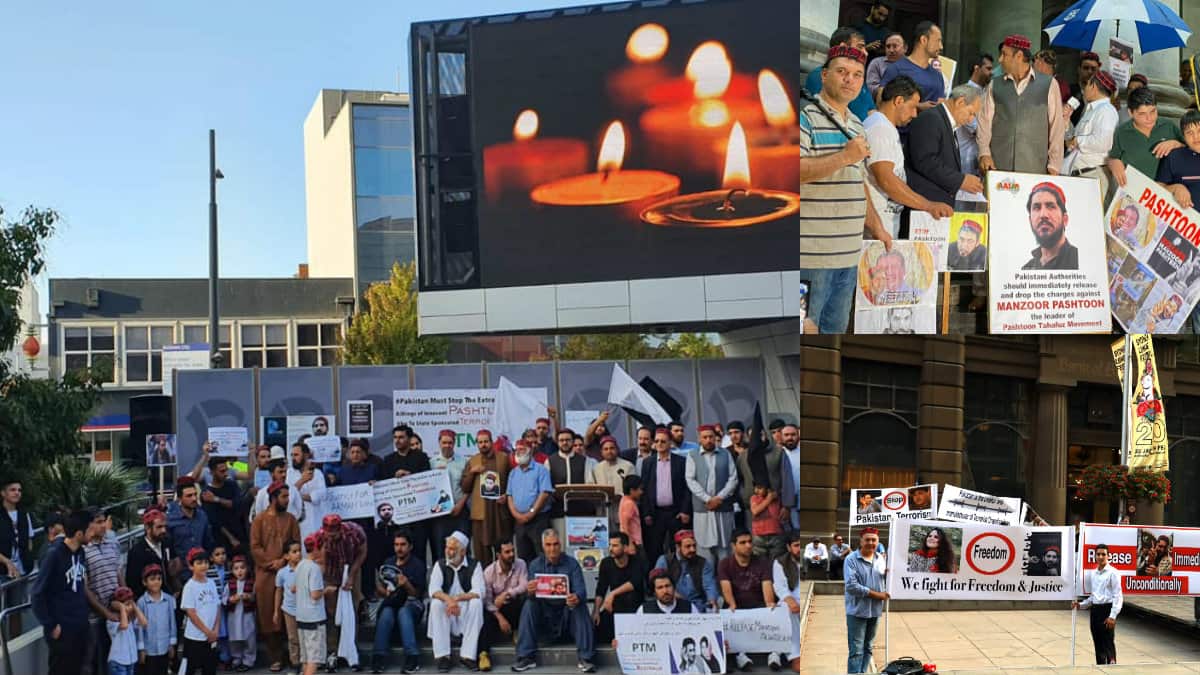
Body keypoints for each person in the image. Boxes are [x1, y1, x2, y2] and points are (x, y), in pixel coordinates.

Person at [800, 43, 891, 334]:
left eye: (857, 74)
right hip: (812, 256)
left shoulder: (857, 125)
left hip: (849, 255)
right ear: (825, 75)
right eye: (842, 72)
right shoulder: (804, 118)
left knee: (834, 331)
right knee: (805, 331)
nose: (849, 79)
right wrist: (844, 156)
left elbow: (858, 181)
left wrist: (877, 226)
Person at [864, 76, 954, 238]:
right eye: (913, 107)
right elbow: (886, 179)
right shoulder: (880, 128)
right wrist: (927, 205)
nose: (914, 114)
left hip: (886, 223)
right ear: (898, 101)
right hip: (877, 228)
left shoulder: (885, 127)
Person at [978, 34, 1065, 175]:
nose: (1000, 60)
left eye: (1004, 55)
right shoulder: (995, 84)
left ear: (1018, 56)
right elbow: (984, 121)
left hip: (1035, 168)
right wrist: (984, 153)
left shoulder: (1049, 84)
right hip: (998, 167)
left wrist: (1054, 165)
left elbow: (1057, 126)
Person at [512, 529, 596, 673]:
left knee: (579, 606)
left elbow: (581, 591)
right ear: (543, 546)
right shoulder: (535, 565)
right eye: (549, 545)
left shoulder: (572, 564)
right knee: (529, 604)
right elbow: (531, 595)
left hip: (567, 617)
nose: (552, 548)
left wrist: (575, 597)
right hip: (545, 618)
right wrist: (530, 592)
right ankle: (526, 657)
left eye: (556, 544)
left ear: (561, 545)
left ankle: (586, 658)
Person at [906, 83, 986, 208]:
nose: (971, 120)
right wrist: (960, 180)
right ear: (960, 102)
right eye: (971, 113)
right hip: (924, 205)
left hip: (937, 205)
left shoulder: (946, 123)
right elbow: (925, 161)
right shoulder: (931, 118)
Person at [32, 510, 92, 675]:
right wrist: (50, 625)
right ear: (79, 533)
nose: (93, 534)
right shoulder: (54, 555)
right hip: (62, 630)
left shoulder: (81, 552)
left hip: (80, 626)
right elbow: (37, 594)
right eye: (90, 530)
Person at [250, 480, 301, 673]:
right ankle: (275, 657)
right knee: (268, 614)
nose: (287, 500)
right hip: (265, 574)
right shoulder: (259, 520)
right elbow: (255, 547)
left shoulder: (291, 519)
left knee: (288, 612)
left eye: (288, 496)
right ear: (273, 498)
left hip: (289, 573)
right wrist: (273, 563)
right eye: (284, 497)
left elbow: (297, 543)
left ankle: (294, 656)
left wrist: (285, 561)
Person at [719, 529, 780, 671]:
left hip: (759, 605)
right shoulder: (725, 564)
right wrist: (732, 605)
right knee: (726, 612)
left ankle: (775, 653)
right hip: (738, 606)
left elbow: (767, 588)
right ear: (733, 546)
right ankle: (740, 655)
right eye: (743, 543)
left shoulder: (762, 562)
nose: (748, 545)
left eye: (750, 542)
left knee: (777, 610)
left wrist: (769, 605)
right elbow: (726, 589)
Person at [427, 531, 485, 672]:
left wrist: (457, 599)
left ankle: (467, 656)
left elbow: (480, 592)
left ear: (463, 551)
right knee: (436, 603)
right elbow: (433, 590)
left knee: (476, 603)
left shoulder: (474, 565)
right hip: (447, 610)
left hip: (464, 611)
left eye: (453, 549)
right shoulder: (439, 565)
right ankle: (443, 657)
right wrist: (449, 600)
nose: (449, 552)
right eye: (447, 547)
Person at [1109, 87, 1186, 190]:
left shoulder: (1168, 126)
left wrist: (1176, 144)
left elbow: (1192, 151)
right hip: (1135, 193)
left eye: (1153, 111)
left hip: (1166, 194)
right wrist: (1113, 162)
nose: (1149, 118)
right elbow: (1113, 157)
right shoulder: (1121, 132)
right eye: (1142, 114)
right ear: (1131, 113)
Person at [316, 514, 367, 665]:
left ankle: (351, 648)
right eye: (328, 534)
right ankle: (333, 650)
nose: (330, 537)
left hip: (352, 567)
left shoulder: (355, 533)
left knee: (351, 609)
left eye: (334, 534)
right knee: (331, 611)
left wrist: (351, 575)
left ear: (340, 530)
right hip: (330, 571)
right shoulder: (318, 538)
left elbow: (363, 553)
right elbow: (319, 562)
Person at [685, 425, 739, 565]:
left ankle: (725, 583)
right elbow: (690, 480)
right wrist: (708, 499)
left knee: (725, 548)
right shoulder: (692, 455)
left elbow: (733, 478)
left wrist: (719, 498)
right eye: (705, 437)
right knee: (704, 550)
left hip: (723, 508)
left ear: (715, 438)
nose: (708, 440)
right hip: (703, 510)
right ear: (699, 439)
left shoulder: (725, 454)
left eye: (711, 437)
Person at [379, 425, 433, 561]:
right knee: (398, 554)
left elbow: (429, 482)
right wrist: (392, 477)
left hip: (419, 516)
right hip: (398, 517)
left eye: (401, 437)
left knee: (419, 553)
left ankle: (419, 582)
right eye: (395, 438)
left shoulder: (421, 457)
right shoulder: (388, 460)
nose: (397, 440)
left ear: (409, 439)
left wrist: (411, 476)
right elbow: (383, 486)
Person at [640, 427, 692, 564]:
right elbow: (643, 490)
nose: (659, 444)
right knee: (654, 550)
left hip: (676, 513)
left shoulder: (681, 462)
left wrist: (685, 511)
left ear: (670, 443)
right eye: (656, 441)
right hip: (655, 514)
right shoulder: (648, 463)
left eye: (663, 441)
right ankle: (657, 580)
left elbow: (687, 488)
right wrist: (646, 513)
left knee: (679, 549)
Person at [464, 429, 512, 566]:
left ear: (491, 442)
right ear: (477, 444)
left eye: (486, 441)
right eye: (480, 442)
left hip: (500, 512)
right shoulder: (473, 461)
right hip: (481, 515)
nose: (483, 444)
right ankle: (483, 583)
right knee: (481, 553)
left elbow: (512, 482)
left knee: (502, 550)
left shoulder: (503, 458)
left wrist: (506, 495)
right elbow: (465, 487)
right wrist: (472, 472)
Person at [844, 527, 889, 674]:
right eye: (867, 539)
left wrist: (889, 575)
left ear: (878, 541)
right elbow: (852, 587)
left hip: (875, 611)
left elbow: (883, 580)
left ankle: (862, 673)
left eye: (874, 540)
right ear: (861, 541)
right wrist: (878, 595)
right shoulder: (851, 559)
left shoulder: (880, 559)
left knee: (868, 647)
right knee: (856, 650)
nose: (871, 543)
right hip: (857, 612)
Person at [805, 28, 875, 121]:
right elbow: (825, 113)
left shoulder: (859, 79)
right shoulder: (820, 76)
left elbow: (872, 111)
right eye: (860, 46)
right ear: (843, 47)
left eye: (857, 75)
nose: (865, 53)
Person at [480, 540, 528, 672]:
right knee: (484, 614)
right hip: (496, 610)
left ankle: (518, 631)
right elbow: (487, 601)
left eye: (513, 551)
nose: (512, 554)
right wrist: (500, 617)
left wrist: (507, 594)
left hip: (513, 605)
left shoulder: (520, 564)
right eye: (507, 552)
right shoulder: (489, 572)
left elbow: (524, 585)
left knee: (525, 600)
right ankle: (483, 654)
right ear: (498, 555)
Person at [83, 510, 121, 675]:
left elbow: (118, 572)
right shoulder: (82, 550)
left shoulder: (113, 543)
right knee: (93, 661)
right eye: (98, 522)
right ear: (89, 525)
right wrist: (105, 612)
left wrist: (127, 600)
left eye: (104, 521)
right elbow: (85, 588)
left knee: (113, 659)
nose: (103, 525)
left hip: (116, 612)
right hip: (94, 616)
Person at [1067, 71, 1119, 188]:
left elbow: (1104, 142)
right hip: (1080, 174)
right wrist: (1066, 120)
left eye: (1087, 84)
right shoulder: (1091, 110)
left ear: (1093, 86)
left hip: (1093, 176)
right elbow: (1071, 140)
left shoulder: (1106, 110)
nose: (1084, 89)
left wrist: (1077, 141)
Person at [592, 532, 646, 644]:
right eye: (610, 545)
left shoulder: (637, 561)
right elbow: (601, 589)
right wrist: (596, 611)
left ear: (625, 548)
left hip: (634, 608)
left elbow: (634, 583)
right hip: (614, 607)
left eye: (615, 545)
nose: (611, 549)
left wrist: (612, 594)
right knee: (595, 628)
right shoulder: (606, 563)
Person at [879, 22, 946, 111]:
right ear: (923, 40)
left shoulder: (938, 76)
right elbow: (881, 104)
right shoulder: (896, 69)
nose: (941, 46)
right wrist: (917, 106)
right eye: (938, 41)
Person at [1073, 543, 1123, 664]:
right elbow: (1093, 596)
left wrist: (1113, 616)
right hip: (1095, 611)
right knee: (1098, 642)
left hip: (1107, 610)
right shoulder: (1093, 573)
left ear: (1108, 556)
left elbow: (1118, 596)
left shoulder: (1113, 573)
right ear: (1095, 556)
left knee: (1108, 642)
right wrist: (1081, 605)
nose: (1101, 557)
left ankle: (1112, 667)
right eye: (1098, 554)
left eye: (1103, 554)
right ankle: (1100, 667)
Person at [507, 440, 555, 562]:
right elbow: (509, 496)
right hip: (519, 522)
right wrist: (516, 514)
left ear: (530, 451)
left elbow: (544, 494)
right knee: (523, 557)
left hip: (538, 519)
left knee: (542, 555)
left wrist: (531, 512)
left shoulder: (541, 470)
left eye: (522, 449)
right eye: (516, 450)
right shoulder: (513, 473)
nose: (518, 452)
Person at [430, 429, 471, 560]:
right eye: (444, 442)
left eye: (450, 442)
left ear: (454, 443)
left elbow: (467, 487)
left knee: (462, 547)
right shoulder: (431, 463)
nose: (447, 445)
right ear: (439, 443)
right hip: (440, 513)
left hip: (460, 510)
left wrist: (460, 505)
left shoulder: (463, 462)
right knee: (441, 549)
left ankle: (464, 579)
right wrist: (435, 475)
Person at [655, 530, 718, 612]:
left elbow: (709, 585)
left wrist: (712, 600)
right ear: (678, 547)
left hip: (698, 605)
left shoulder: (703, 563)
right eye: (688, 546)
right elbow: (658, 585)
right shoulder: (665, 561)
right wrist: (680, 600)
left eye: (694, 546)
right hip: (673, 604)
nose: (692, 549)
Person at [181, 548, 222, 675]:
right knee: (190, 668)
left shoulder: (211, 583)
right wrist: (206, 631)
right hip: (195, 637)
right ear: (191, 566)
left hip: (211, 636)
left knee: (210, 668)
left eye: (205, 562)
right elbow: (191, 613)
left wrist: (215, 630)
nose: (203, 566)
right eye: (199, 563)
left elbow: (217, 607)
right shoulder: (190, 586)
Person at [771, 532, 807, 673]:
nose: (799, 548)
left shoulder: (808, 558)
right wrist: (790, 601)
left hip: (807, 595)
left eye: (801, 545)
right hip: (790, 600)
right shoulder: (780, 562)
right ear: (788, 547)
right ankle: (795, 656)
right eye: (796, 545)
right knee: (787, 609)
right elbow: (780, 587)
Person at [1022, 181, 1078, 270]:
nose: (1043, 215)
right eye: (1037, 208)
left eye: (1051, 206)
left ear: (1065, 219)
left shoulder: (1078, 260)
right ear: (1030, 221)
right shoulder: (1027, 269)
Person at [295, 533, 328, 675]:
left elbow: (294, 587)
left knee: (306, 657)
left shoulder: (300, 564)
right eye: (323, 547)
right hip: (314, 617)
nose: (325, 550)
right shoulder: (314, 569)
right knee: (314, 658)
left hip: (301, 616)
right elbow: (315, 595)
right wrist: (326, 590)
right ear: (317, 548)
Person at [168, 477, 215, 578]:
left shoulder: (202, 516)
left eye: (195, 495)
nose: (194, 498)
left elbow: (208, 541)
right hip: (181, 573)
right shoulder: (171, 519)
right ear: (180, 499)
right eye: (189, 496)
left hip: (202, 570)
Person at [126, 508, 176, 598]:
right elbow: (133, 584)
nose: (164, 530)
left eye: (165, 526)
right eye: (159, 527)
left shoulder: (167, 542)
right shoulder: (136, 552)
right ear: (147, 528)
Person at [136, 564, 177, 675]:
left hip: (164, 646)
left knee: (163, 670)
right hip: (149, 648)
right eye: (152, 579)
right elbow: (139, 626)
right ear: (145, 582)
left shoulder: (168, 600)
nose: (156, 582)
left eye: (159, 579)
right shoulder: (141, 602)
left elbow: (172, 623)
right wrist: (141, 649)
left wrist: (172, 644)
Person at [288, 442, 328, 541]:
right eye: (292, 455)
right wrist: (302, 481)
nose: (293, 458)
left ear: (306, 455)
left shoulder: (317, 473)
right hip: (297, 522)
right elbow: (288, 494)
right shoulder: (288, 473)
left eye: (296, 455)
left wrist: (301, 496)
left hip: (315, 520)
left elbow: (322, 494)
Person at [275, 541, 303, 674]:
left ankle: (307, 661)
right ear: (286, 556)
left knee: (306, 636)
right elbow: (279, 591)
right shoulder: (282, 573)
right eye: (294, 552)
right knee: (293, 637)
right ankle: (295, 662)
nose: (298, 554)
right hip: (289, 609)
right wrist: (276, 611)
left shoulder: (305, 568)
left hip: (305, 608)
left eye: (299, 551)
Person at [226, 555, 257, 671]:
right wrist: (230, 599)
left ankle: (248, 660)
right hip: (233, 616)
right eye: (236, 568)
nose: (239, 571)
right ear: (232, 571)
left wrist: (249, 597)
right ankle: (236, 658)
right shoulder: (229, 584)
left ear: (247, 569)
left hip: (247, 615)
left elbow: (255, 597)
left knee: (249, 637)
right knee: (234, 638)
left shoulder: (251, 583)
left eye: (242, 568)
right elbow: (224, 599)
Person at [106, 586, 146, 675]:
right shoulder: (112, 621)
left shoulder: (131, 620)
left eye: (130, 604)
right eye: (127, 604)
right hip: (118, 663)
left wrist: (134, 606)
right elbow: (124, 626)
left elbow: (144, 622)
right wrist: (121, 607)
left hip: (131, 662)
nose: (130, 607)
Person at [0, 479, 34, 580]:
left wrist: (27, 556)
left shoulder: (24, 514)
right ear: (3, 493)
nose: (17, 493)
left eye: (19, 490)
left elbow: (29, 539)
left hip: (22, 569)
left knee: (20, 596)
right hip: (2, 571)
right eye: (12, 490)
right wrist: (6, 561)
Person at [749, 481, 785, 561]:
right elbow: (755, 511)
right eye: (755, 488)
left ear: (768, 489)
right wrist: (769, 499)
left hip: (775, 535)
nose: (756, 491)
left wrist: (772, 497)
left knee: (776, 562)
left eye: (760, 488)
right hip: (759, 536)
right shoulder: (754, 498)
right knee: (760, 562)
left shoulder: (777, 498)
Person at [1070, 51, 1103, 126]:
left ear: (1098, 71)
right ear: (1079, 69)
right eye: (1086, 68)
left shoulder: (1102, 95)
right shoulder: (1069, 91)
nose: (1089, 71)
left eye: (1093, 68)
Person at [866, 32, 905, 97]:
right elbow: (871, 88)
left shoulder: (912, 64)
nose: (891, 50)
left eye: (895, 46)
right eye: (888, 46)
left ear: (905, 48)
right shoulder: (876, 63)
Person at [619, 475, 643, 549]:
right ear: (632, 490)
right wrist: (629, 544)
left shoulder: (624, 500)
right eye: (640, 489)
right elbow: (625, 526)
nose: (641, 492)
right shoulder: (629, 504)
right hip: (634, 542)